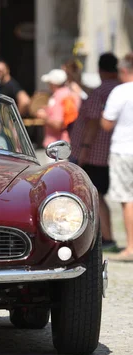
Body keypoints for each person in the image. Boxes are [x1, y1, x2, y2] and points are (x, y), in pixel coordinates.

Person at [69, 53, 120, 252]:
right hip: (107, 152)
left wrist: (84, 150)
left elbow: (92, 122)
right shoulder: (116, 88)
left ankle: (107, 238)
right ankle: (106, 236)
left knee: (96, 194)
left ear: (99, 70)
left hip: (94, 153)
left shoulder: (100, 92)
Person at [100, 53, 133, 261]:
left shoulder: (119, 92)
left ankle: (131, 247)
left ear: (123, 70)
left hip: (124, 149)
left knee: (128, 199)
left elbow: (106, 124)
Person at [36, 68, 78, 149]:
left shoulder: (59, 97)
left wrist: (44, 117)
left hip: (57, 146)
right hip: (61, 143)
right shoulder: (66, 93)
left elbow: (58, 124)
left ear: (53, 83)